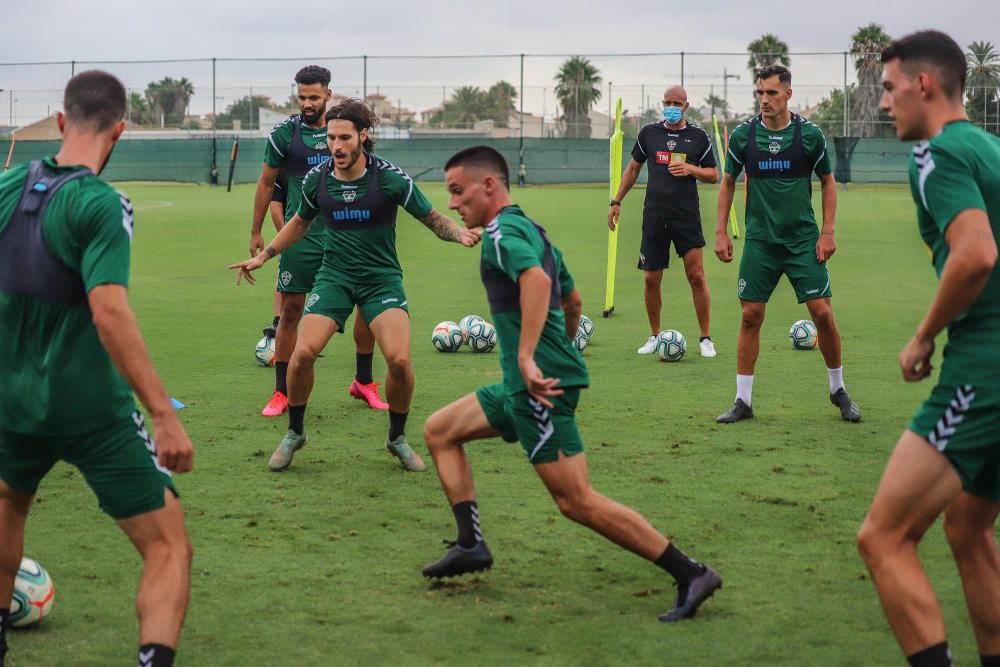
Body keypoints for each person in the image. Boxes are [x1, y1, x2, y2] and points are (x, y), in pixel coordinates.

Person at [421, 145, 721, 623]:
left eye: (458, 191)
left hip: (536, 386)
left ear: (489, 186)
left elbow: (538, 283)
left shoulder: (500, 234)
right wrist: (552, 351)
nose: (453, 204)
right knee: (440, 432)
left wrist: (527, 356)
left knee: (575, 500)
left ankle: (691, 572)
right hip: (532, 380)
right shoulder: (530, 227)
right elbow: (574, 299)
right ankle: (470, 542)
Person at [0, 71, 194, 667]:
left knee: (9, 509)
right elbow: (109, 311)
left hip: (11, 404)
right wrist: (163, 415)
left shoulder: (5, 187)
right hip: (91, 409)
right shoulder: (104, 203)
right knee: (168, 546)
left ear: (61, 122)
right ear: (121, 129)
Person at [231, 99, 480, 473]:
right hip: (334, 278)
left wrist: (458, 232)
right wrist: (264, 255)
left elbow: (432, 218)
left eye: (344, 137)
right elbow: (299, 222)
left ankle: (396, 437)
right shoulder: (319, 179)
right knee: (302, 355)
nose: (336, 146)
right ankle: (295, 432)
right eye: (331, 138)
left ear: (363, 136)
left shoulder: (390, 178)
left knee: (398, 360)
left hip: (381, 279)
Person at [857, 30, 1000, 667]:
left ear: (924, 84)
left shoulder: (936, 155)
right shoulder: (990, 149)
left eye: (888, 88)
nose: (884, 104)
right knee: (968, 528)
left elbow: (975, 254)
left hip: (984, 367)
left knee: (883, 538)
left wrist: (923, 337)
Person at [713, 65, 861, 424]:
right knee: (751, 316)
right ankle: (742, 401)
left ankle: (838, 389)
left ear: (788, 95)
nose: (764, 99)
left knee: (822, 313)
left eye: (772, 93)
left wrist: (828, 232)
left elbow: (827, 182)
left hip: (801, 241)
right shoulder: (744, 136)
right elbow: (728, 181)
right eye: (760, 93)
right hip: (761, 242)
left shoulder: (809, 136)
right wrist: (720, 230)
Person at [248, 65, 386, 417]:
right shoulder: (283, 135)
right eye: (302, 97)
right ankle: (281, 392)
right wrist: (257, 231)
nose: (307, 103)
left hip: (347, 235)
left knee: (365, 307)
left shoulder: (345, 130)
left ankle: (364, 381)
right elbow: (267, 184)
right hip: (301, 238)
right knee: (291, 311)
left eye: (314, 96)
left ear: (328, 93)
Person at [609, 85, 718, 357]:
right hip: (655, 215)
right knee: (650, 279)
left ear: (685, 106)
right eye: (667, 102)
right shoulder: (649, 134)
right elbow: (634, 168)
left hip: (686, 216)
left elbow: (713, 174)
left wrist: (691, 169)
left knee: (696, 276)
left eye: (676, 102)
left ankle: (705, 339)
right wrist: (616, 201)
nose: (671, 106)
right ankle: (655, 336)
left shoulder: (698, 137)